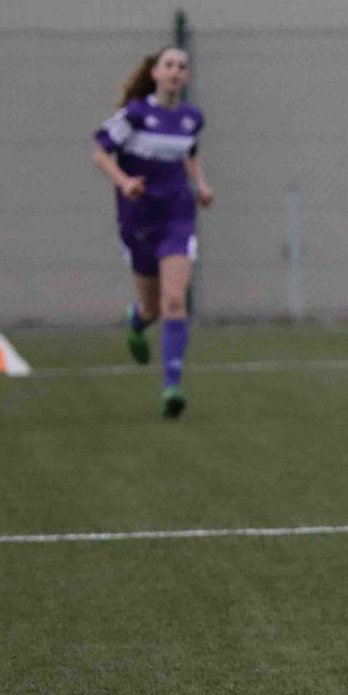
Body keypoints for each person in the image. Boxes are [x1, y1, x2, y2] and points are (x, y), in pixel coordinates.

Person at [90, 46, 213, 419]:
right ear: (156, 73)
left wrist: (201, 185)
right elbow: (100, 153)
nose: (175, 71)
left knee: (174, 300)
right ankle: (137, 320)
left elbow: (190, 152)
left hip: (177, 216)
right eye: (169, 65)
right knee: (152, 308)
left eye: (182, 66)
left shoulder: (192, 118)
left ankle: (171, 387)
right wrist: (125, 182)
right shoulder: (135, 115)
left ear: (186, 77)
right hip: (140, 220)